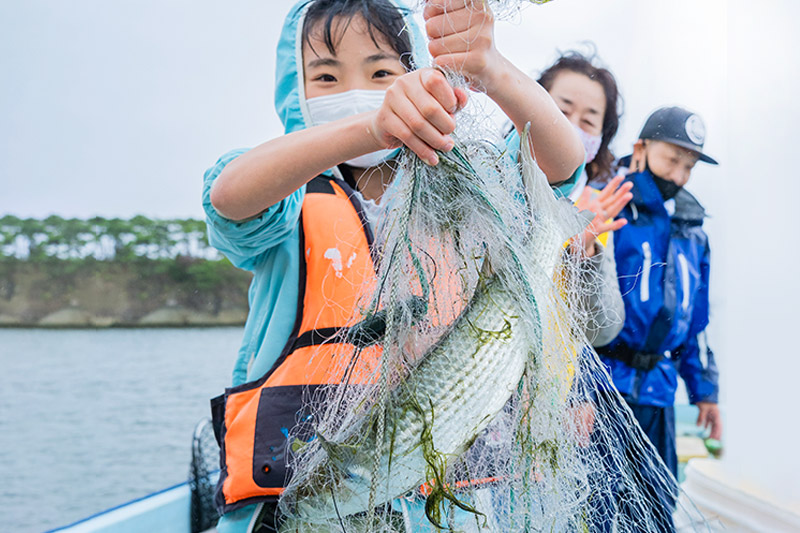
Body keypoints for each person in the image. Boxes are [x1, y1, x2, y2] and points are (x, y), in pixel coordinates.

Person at [202, 1, 584, 531]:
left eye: (381, 72)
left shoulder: (466, 191)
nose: (355, 89)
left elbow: (561, 171)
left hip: (443, 507)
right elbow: (227, 197)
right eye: (326, 76)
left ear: (418, 78)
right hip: (290, 505)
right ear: (295, 89)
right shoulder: (284, 198)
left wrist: (491, 68)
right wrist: (370, 126)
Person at [597, 106, 722, 530]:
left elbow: (696, 322)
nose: (681, 176)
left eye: (689, 167)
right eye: (673, 160)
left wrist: (705, 392)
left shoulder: (694, 232)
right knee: (592, 511)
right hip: (603, 392)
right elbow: (574, 309)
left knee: (654, 515)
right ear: (640, 149)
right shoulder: (608, 206)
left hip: (659, 397)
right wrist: (577, 395)